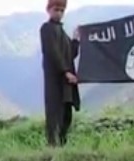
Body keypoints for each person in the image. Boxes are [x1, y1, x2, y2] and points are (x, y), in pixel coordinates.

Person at [40, 0, 81, 146]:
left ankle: (63, 147)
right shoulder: (46, 29)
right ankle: (52, 148)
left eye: (62, 10)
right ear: (49, 10)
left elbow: (70, 54)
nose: (59, 13)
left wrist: (76, 40)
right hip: (55, 82)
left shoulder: (63, 33)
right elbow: (53, 53)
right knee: (54, 116)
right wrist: (65, 72)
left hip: (66, 84)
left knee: (66, 117)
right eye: (56, 9)